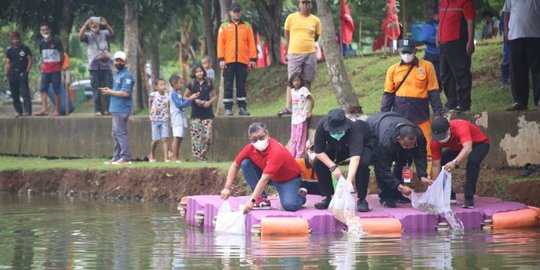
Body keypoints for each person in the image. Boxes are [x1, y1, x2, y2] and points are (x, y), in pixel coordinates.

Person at [220, 122, 307, 213]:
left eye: (261, 137)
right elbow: (235, 165)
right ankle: (261, 199)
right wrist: (227, 187)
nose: (258, 141)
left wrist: (252, 201)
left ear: (267, 135)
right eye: (254, 139)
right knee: (245, 163)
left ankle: (301, 195)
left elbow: (264, 179)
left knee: (289, 205)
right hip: (271, 176)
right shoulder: (249, 149)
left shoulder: (276, 151)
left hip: (288, 179)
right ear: (250, 139)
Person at [381, 39, 443, 159]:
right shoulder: (393, 69)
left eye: (409, 52)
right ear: (399, 52)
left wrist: (438, 113)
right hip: (399, 116)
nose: (406, 55)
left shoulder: (427, 67)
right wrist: (384, 115)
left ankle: (428, 176)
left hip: (421, 116)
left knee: (428, 149)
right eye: (403, 52)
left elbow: (433, 92)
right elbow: (388, 94)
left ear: (415, 51)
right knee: (397, 149)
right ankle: (399, 175)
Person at [312, 109, 373, 212]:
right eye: (333, 131)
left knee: (362, 164)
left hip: (362, 145)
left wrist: (349, 180)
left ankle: (362, 199)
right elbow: (318, 151)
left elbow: (355, 158)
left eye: (339, 131)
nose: (336, 133)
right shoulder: (321, 126)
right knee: (318, 162)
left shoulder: (355, 128)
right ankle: (328, 196)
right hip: (336, 146)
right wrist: (333, 166)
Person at [366, 112, 429, 208]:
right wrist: (399, 186)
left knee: (404, 161)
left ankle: (397, 194)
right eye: (407, 145)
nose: (410, 147)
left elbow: (420, 155)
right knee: (379, 162)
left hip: (394, 119)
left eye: (413, 145)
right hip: (374, 128)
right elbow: (383, 168)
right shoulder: (386, 143)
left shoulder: (419, 135)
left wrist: (422, 175)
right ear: (399, 139)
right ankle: (385, 196)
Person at [429, 117, 490, 209]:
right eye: (438, 138)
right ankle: (449, 194)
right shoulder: (434, 141)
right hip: (458, 147)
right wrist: (433, 186)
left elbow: (468, 148)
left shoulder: (460, 127)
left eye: (443, 136)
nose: (440, 140)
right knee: (443, 161)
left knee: (472, 162)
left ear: (449, 130)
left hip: (479, 144)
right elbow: (435, 166)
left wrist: (455, 162)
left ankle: (469, 198)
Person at [277, 0, 321, 117]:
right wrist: (291, 46)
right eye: (303, 2)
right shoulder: (291, 18)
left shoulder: (315, 20)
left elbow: (316, 37)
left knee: (307, 80)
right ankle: (289, 107)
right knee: (292, 80)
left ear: (311, 5)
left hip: (310, 53)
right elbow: (287, 34)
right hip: (294, 52)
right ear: (299, 4)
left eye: (308, 3)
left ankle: (306, 108)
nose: (306, 5)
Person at [217, 2, 256, 116]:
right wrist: (221, 59)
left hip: (242, 60)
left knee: (241, 84)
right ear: (230, 12)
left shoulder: (247, 26)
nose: (236, 13)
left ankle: (242, 107)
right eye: (234, 11)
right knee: (228, 84)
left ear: (241, 12)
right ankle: (228, 108)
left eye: (238, 11)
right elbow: (220, 44)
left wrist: (253, 59)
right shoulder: (224, 26)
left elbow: (251, 43)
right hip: (228, 61)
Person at [437, 0, 475, 112]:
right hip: (444, 43)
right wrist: (437, 37)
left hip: (458, 43)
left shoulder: (465, 2)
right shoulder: (443, 2)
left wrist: (470, 41)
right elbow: (441, 21)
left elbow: (470, 21)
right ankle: (452, 102)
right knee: (445, 75)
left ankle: (464, 104)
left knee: (461, 73)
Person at [503, 0, 540, 111]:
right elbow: (506, 13)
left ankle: (539, 99)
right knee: (517, 70)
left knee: (538, 69)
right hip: (515, 36)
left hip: (535, 35)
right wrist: (506, 31)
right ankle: (520, 101)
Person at [100, 51, 133, 165]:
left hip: (122, 108)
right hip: (115, 108)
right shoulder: (118, 74)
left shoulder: (127, 75)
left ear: (125, 62)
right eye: (116, 60)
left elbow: (125, 93)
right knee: (115, 133)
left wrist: (110, 92)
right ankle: (117, 157)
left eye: (121, 60)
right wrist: (109, 90)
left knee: (120, 133)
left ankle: (126, 157)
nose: (118, 62)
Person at [79, 16, 114, 116]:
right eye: (92, 24)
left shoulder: (104, 33)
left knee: (108, 87)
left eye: (96, 24)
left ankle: (108, 109)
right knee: (96, 88)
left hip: (106, 65)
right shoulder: (88, 35)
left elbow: (112, 33)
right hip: (94, 66)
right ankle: (98, 110)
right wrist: (85, 24)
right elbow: (80, 37)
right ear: (90, 26)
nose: (94, 25)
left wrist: (106, 24)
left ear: (99, 25)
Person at [184, 64, 216, 162]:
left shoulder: (209, 82)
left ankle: (202, 155)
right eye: (197, 71)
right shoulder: (192, 84)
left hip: (207, 113)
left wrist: (208, 103)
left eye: (201, 71)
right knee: (196, 137)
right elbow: (185, 97)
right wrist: (193, 99)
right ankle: (199, 158)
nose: (199, 73)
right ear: (194, 73)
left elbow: (214, 96)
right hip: (195, 114)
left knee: (207, 136)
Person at [169, 75, 199, 163]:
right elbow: (180, 105)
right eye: (180, 83)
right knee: (177, 137)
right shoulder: (173, 94)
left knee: (180, 138)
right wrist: (191, 99)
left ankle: (177, 157)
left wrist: (191, 98)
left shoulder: (178, 93)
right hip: (176, 118)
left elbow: (183, 102)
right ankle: (174, 158)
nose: (182, 85)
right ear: (174, 84)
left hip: (181, 117)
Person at [36, 22, 64, 116]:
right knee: (43, 89)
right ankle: (44, 109)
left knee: (57, 90)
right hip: (45, 70)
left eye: (46, 29)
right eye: (43, 30)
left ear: (50, 30)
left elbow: (62, 55)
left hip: (55, 69)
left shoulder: (57, 41)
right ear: (40, 32)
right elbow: (42, 56)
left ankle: (57, 110)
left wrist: (60, 66)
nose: (45, 31)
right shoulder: (41, 43)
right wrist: (42, 66)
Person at [3, 32, 32, 117]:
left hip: (23, 73)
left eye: (17, 39)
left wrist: (27, 71)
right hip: (12, 74)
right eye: (13, 39)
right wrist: (6, 75)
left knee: (25, 92)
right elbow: (8, 63)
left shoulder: (25, 49)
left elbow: (30, 60)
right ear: (11, 40)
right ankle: (19, 111)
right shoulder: (9, 51)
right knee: (15, 93)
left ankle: (28, 111)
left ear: (19, 39)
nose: (15, 40)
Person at [288, 72, 315, 158]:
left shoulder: (304, 90)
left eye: (298, 80)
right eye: (294, 81)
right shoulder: (292, 91)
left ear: (301, 81)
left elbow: (312, 100)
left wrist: (310, 111)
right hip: (294, 119)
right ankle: (292, 155)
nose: (296, 82)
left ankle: (299, 156)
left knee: (300, 138)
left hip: (302, 118)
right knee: (293, 138)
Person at [147, 78, 170, 163]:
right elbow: (150, 102)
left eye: (164, 84)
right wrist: (150, 114)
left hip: (164, 119)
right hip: (155, 120)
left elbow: (169, 105)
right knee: (155, 139)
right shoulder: (153, 95)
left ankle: (166, 158)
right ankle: (152, 154)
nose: (164, 86)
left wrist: (168, 114)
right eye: (161, 85)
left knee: (165, 138)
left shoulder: (167, 95)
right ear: (156, 87)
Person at [421, 8, 441, 87]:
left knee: (439, 75)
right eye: (438, 14)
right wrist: (438, 39)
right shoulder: (429, 25)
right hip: (431, 54)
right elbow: (425, 37)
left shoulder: (440, 24)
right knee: (430, 75)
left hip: (440, 54)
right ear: (435, 15)